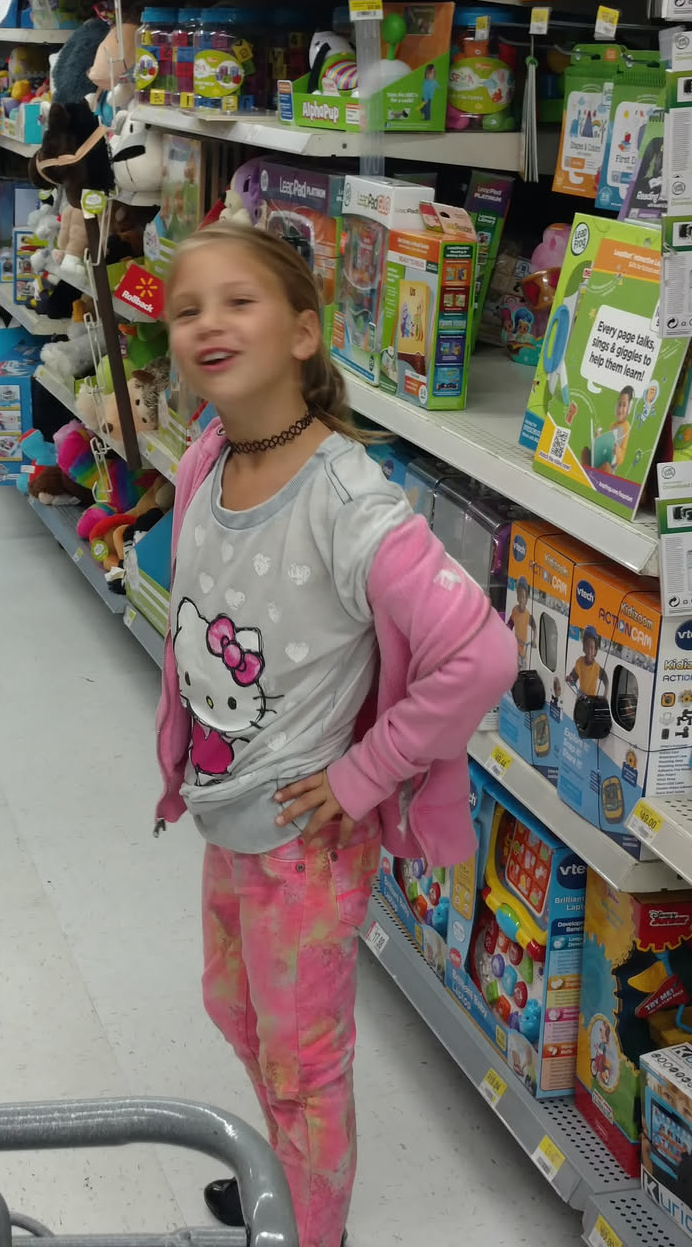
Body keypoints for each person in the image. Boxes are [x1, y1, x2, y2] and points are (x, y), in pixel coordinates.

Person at [152, 218, 511, 1247]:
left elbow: (480, 656)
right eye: (187, 309)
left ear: (304, 333)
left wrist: (363, 775)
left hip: (305, 841)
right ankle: (284, 1186)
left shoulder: (350, 502)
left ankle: (311, 1232)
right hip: (231, 817)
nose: (207, 323)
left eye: (239, 301)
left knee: (302, 1063)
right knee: (237, 1013)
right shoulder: (212, 454)